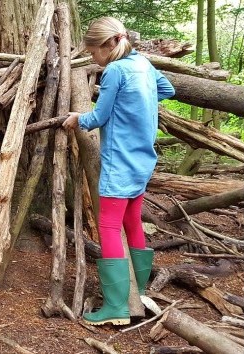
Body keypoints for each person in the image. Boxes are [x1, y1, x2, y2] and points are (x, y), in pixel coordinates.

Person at [63, 17, 175, 326]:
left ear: (108, 46)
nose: (93, 60)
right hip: (142, 160)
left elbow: (98, 116)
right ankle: (136, 290)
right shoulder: (143, 64)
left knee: (109, 225)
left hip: (119, 161)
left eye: (93, 53)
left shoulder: (114, 71)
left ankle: (116, 306)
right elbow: (168, 89)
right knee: (131, 220)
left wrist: (76, 118)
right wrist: (140, 103)